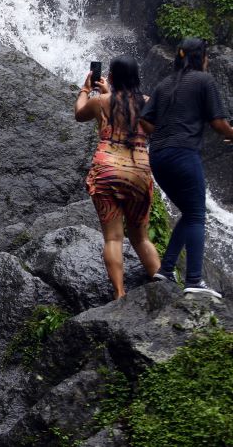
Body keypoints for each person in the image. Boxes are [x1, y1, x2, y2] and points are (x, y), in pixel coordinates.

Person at [140, 38, 233, 299]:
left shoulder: (164, 84)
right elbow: (218, 122)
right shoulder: (204, 81)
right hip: (183, 155)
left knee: (189, 212)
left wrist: (166, 133)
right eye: (206, 56)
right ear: (200, 57)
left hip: (158, 157)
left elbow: (145, 121)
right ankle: (194, 279)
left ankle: (166, 269)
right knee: (197, 214)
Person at [74, 57, 161, 300]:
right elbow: (156, 130)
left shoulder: (100, 101)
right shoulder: (148, 104)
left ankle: (120, 294)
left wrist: (85, 88)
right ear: (136, 78)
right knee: (141, 238)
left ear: (111, 77)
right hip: (139, 172)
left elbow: (79, 113)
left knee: (112, 238)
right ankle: (166, 287)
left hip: (107, 171)